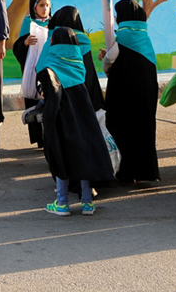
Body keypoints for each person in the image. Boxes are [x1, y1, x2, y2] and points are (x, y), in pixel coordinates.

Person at [38, 27, 115, 216]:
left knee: (61, 159)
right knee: (84, 158)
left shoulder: (50, 67)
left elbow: (44, 95)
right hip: (83, 120)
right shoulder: (79, 65)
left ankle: (62, 203)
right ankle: (87, 203)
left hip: (60, 122)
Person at [98, 0, 160, 183]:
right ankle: (145, 172)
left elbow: (110, 60)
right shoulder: (145, 37)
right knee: (143, 127)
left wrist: (105, 61)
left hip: (124, 92)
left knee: (122, 127)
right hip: (146, 90)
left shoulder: (123, 36)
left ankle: (125, 172)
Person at [37, 5, 103, 112]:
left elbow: (39, 67)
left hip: (57, 92)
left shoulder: (52, 40)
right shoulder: (84, 41)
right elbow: (89, 72)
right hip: (80, 93)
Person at [12, 0, 51, 147]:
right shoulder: (28, 23)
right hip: (32, 70)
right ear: (34, 7)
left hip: (49, 67)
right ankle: (39, 138)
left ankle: (50, 136)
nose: (45, 9)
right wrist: (25, 43)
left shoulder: (53, 22)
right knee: (34, 101)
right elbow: (17, 47)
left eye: (47, 5)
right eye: (41, 5)